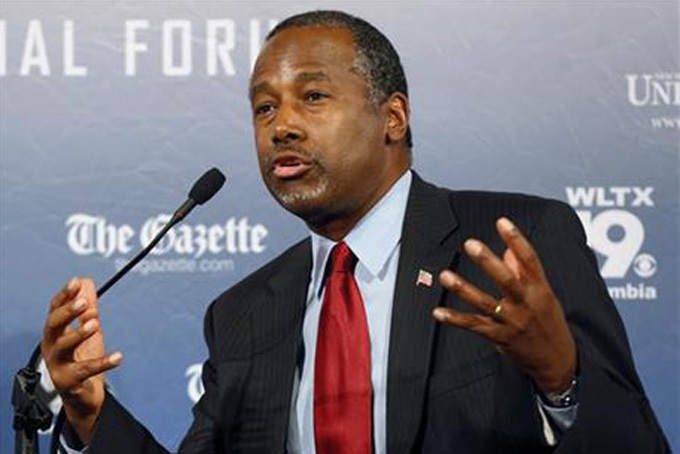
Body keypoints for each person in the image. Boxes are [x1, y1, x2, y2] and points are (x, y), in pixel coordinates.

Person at [42, 10, 669, 454]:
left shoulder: (513, 242)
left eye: (312, 97)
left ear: (392, 117)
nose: (280, 126)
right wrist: (93, 415)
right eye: (264, 107)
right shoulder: (240, 316)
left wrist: (562, 379)